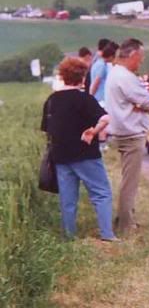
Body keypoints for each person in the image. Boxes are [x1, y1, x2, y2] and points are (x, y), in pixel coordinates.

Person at [42, 57, 116, 241]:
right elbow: (105, 118)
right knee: (101, 193)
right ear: (82, 77)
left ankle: (69, 236)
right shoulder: (85, 99)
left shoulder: (51, 100)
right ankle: (107, 234)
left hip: (60, 156)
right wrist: (94, 131)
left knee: (67, 200)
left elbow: (47, 129)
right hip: (86, 154)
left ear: (63, 76)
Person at [105, 38, 149, 236]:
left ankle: (124, 218)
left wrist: (138, 105)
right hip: (131, 132)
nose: (141, 62)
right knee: (130, 182)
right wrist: (141, 106)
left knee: (128, 178)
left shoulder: (115, 73)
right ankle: (126, 224)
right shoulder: (126, 77)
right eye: (140, 58)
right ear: (133, 55)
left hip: (121, 130)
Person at [89, 41, 118, 107]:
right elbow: (96, 83)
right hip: (101, 100)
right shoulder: (102, 65)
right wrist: (90, 98)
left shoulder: (97, 62)